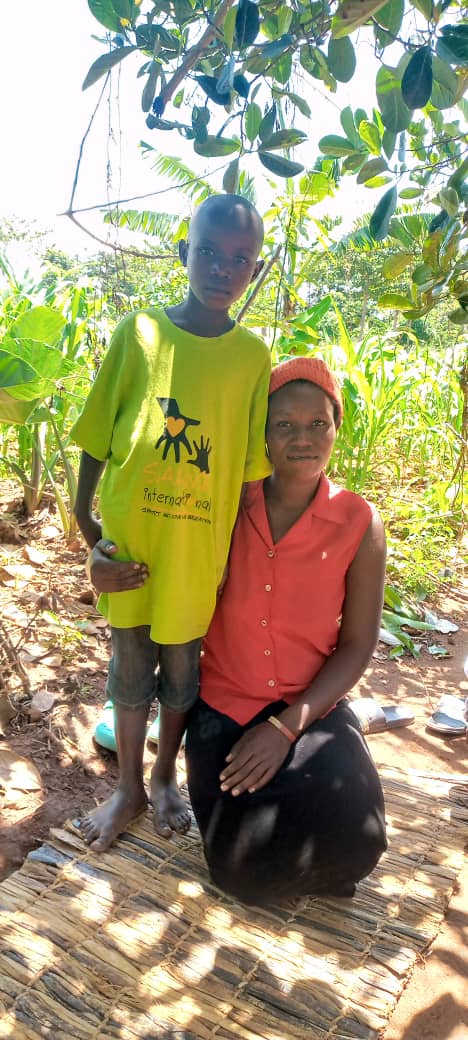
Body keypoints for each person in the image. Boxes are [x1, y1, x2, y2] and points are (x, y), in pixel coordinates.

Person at [71, 194, 271, 852]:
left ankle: (162, 779)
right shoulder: (140, 334)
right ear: (184, 253)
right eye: (208, 252)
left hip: (195, 560)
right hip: (132, 550)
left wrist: (240, 570)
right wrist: (86, 529)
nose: (222, 268)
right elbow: (98, 440)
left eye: (239, 260)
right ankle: (127, 785)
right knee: (130, 673)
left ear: (253, 269)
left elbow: (247, 477)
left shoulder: (251, 358)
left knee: (182, 677)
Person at [185, 356, 388, 905]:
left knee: (361, 839)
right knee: (243, 873)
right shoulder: (225, 504)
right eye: (285, 425)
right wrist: (102, 553)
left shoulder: (359, 522)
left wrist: (285, 728)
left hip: (309, 702)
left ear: (336, 428)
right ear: (264, 436)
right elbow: (161, 547)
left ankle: (333, 759)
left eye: (318, 423)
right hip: (223, 706)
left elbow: (357, 644)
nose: (304, 438)